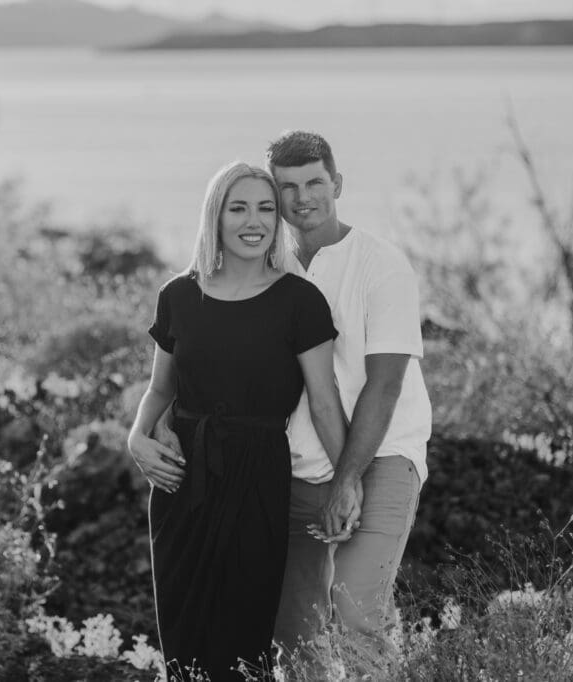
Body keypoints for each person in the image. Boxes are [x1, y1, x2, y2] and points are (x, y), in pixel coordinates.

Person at [127, 161, 347, 681]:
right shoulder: (179, 294)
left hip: (257, 478)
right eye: (239, 207)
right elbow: (162, 388)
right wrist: (136, 436)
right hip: (181, 481)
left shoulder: (300, 301)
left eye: (266, 208)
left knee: (244, 640)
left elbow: (323, 401)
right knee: (183, 643)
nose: (255, 221)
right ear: (216, 215)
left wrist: (348, 481)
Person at [265, 130, 432, 663]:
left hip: (380, 457)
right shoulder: (267, 267)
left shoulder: (381, 264)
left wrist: (347, 480)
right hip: (294, 466)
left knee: (356, 608)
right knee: (295, 634)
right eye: (287, 187)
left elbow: (385, 387)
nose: (302, 198)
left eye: (314, 182)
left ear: (337, 183)